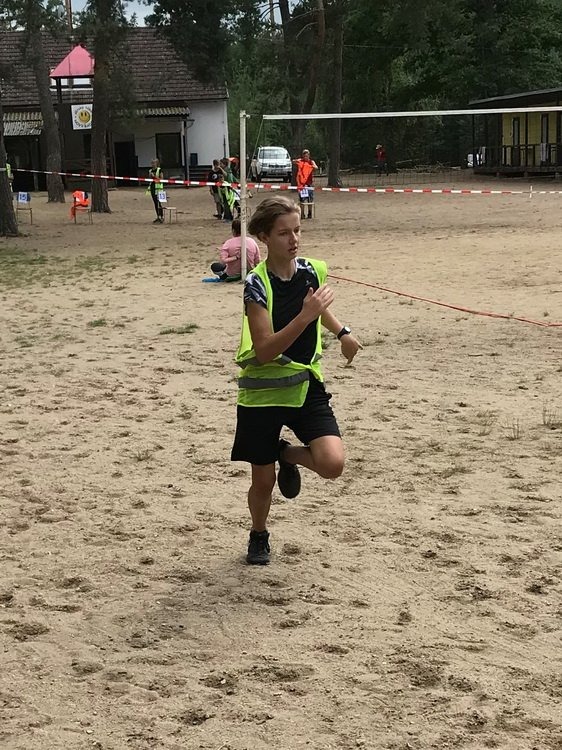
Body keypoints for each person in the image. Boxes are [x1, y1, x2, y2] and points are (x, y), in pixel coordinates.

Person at [231, 196, 362, 565]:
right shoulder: (256, 285)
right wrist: (305, 317)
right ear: (263, 237)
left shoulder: (310, 271)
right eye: (284, 233)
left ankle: (285, 453)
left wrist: (343, 333)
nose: (294, 239)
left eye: (298, 230)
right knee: (263, 482)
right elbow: (265, 350)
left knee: (332, 464)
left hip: (304, 384)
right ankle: (259, 534)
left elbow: (318, 308)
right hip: (263, 394)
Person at [292, 149, 318, 219]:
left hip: (309, 183)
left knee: (310, 199)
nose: (305, 157)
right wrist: (296, 161)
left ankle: (310, 213)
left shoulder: (311, 162)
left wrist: (312, 166)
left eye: (307, 156)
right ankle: (302, 214)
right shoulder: (300, 161)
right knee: (302, 200)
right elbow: (293, 161)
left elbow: (316, 167)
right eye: (304, 156)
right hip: (302, 184)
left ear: (309, 155)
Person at [148, 158, 164, 223]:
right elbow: (149, 179)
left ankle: (161, 216)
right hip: (152, 187)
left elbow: (161, 179)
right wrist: (150, 176)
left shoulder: (159, 170)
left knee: (159, 202)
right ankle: (158, 216)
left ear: (157, 163)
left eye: (154, 163)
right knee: (155, 202)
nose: (153, 164)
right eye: (152, 163)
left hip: (159, 188)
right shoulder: (150, 170)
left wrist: (154, 176)